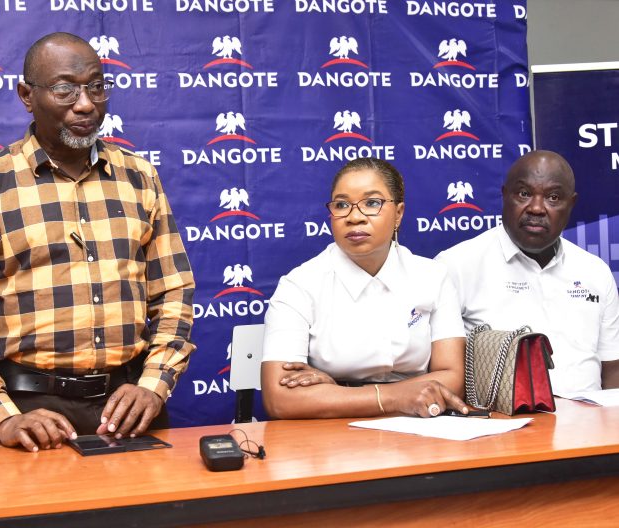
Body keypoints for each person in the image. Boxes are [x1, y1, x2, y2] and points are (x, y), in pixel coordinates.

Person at [0, 32, 195, 452]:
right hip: (32, 413)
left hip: (131, 405)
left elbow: (174, 293)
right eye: (65, 89)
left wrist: (154, 383)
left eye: (96, 87)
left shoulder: (139, 177)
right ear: (26, 95)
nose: (86, 103)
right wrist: (5, 417)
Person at [261, 158, 468, 419]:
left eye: (372, 203)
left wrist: (338, 392)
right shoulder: (299, 285)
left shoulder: (432, 276)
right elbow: (280, 399)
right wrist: (395, 398)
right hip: (330, 436)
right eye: (342, 205)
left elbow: (452, 377)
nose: (355, 217)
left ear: (399, 214)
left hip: (419, 425)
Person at [436, 150, 619, 392]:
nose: (536, 208)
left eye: (553, 197)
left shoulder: (595, 271)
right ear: (504, 196)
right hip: (500, 425)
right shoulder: (455, 266)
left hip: (590, 424)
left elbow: (612, 368)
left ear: (571, 204)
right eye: (524, 193)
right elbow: (443, 375)